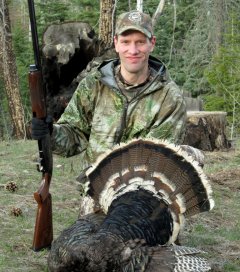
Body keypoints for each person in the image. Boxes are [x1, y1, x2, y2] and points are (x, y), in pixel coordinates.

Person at [32, 10, 203, 183]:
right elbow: (75, 136)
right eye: (126, 42)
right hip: (94, 192)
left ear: (152, 43)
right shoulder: (94, 85)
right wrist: (51, 133)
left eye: (140, 42)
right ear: (116, 43)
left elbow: (156, 162)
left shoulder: (169, 98)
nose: (133, 50)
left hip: (143, 195)